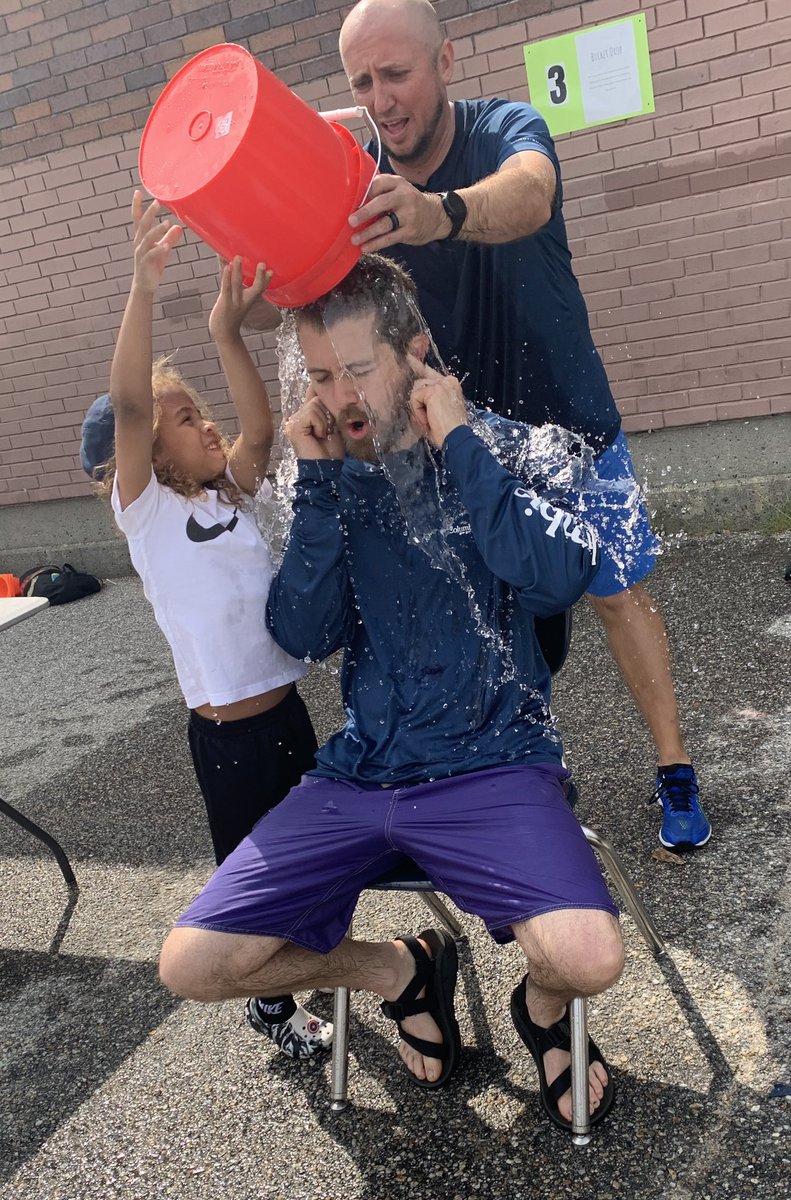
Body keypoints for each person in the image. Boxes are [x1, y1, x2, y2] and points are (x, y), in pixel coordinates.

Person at [158, 253, 625, 1131]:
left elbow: (564, 574)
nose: (337, 399)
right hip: (362, 774)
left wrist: (460, 443)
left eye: (358, 371)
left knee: (589, 959)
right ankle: (400, 970)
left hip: (494, 762)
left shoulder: (503, 444)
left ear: (416, 352)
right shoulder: (338, 477)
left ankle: (545, 1011)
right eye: (322, 375)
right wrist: (324, 485)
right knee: (192, 965)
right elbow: (302, 631)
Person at [326, 0, 710, 851]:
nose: (383, 99)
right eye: (363, 82)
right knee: (495, 620)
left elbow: (530, 194)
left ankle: (674, 769)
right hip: (462, 439)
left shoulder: (506, 128)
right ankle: (525, 776)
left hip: (569, 426)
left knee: (615, 594)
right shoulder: (351, 171)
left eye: (398, 73)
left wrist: (437, 213)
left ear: (447, 62)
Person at [80, 191, 332, 1060]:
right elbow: (132, 404)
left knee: (315, 878)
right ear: (145, 454)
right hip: (224, 740)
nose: (205, 422)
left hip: (288, 720)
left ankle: (310, 970)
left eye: (198, 409)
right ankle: (272, 1001)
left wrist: (229, 333)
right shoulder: (144, 515)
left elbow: (260, 429)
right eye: (186, 419)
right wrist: (144, 291)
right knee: (251, 887)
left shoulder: (232, 497)